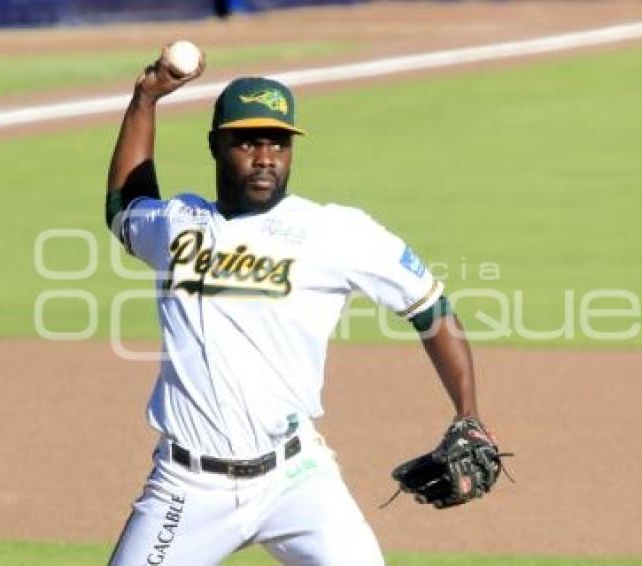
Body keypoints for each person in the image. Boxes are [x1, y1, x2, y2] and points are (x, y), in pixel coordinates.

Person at [105, 49, 492, 566]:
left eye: (278, 143)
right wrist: (145, 99)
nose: (265, 156)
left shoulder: (336, 232)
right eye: (247, 141)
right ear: (216, 146)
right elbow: (124, 209)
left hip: (296, 479)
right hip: (186, 487)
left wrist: (468, 414)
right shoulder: (178, 224)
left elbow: (431, 309)